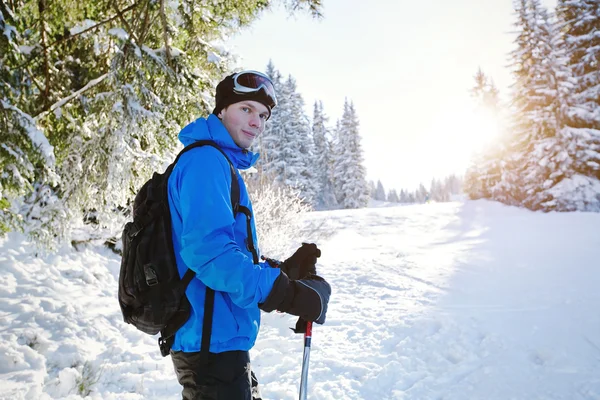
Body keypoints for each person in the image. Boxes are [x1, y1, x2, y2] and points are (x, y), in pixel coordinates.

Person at [166, 70, 331, 400]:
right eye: (246, 109)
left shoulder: (215, 162)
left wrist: (282, 271)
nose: (257, 121)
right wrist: (285, 294)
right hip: (210, 348)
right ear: (222, 109)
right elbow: (210, 254)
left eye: (263, 115)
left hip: (218, 340)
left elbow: (228, 250)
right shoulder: (205, 161)